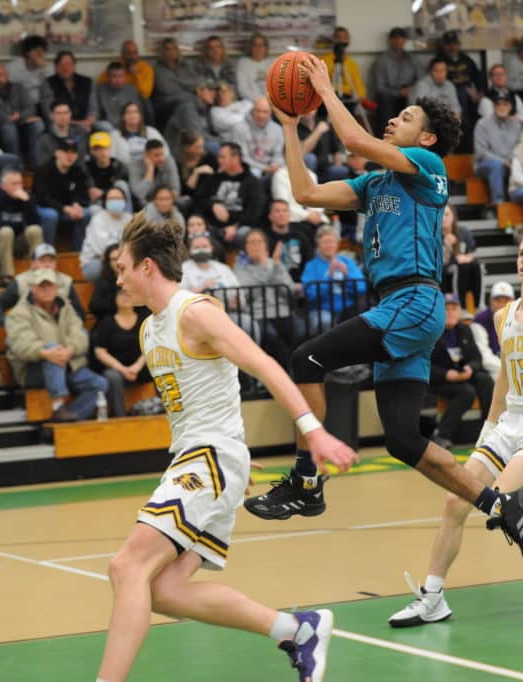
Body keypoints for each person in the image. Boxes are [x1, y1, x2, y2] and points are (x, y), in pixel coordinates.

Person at [246, 56, 523, 567]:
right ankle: (500, 504)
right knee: (403, 441)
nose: (392, 120)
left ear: (426, 138)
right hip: (398, 307)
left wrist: (324, 89)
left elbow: (354, 140)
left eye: (404, 118)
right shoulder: (374, 185)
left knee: (306, 359)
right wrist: (291, 128)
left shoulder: (428, 167)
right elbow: (305, 193)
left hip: (414, 300)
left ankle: (306, 480)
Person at [96, 215, 357, 682]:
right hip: (206, 461)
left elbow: (265, 365)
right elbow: (201, 398)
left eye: (122, 268)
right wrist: (231, 459)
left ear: (147, 266)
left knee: (127, 566)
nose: (118, 280)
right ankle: (298, 631)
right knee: (163, 590)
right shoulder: (149, 330)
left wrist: (313, 431)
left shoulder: (195, 313)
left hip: (210, 459)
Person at [388, 217, 523, 629]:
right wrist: (489, 428)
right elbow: (504, 377)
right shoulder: (504, 317)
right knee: (456, 500)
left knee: (500, 499)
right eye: (522, 253)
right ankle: (434, 597)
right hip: (507, 425)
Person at [5, 269, 108, 422]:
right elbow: (21, 345)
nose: (46, 290)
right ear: (33, 288)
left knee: (100, 384)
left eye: (50, 286)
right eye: (42, 286)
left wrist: (69, 350)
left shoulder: (66, 307)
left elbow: (80, 335)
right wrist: (47, 353)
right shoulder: (18, 313)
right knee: (51, 348)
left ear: (56, 288)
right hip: (34, 368)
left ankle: (68, 418)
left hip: (67, 362)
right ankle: (58, 406)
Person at [428, 292, 494, 448]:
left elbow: (477, 358)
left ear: (459, 311)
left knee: (485, 380)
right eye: (446, 309)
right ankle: (441, 434)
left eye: (454, 308)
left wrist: (470, 368)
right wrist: (446, 375)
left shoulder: (465, 330)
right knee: (466, 392)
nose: (450, 312)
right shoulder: (431, 333)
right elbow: (425, 365)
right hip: (440, 380)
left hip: (463, 374)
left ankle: (489, 430)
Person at [235, 229, 298, 369]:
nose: (256, 245)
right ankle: (284, 373)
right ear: (246, 247)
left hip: (282, 311)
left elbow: (288, 290)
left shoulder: (275, 263)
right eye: (252, 242)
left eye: (259, 241)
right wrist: (267, 270)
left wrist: (276, 267)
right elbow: (246, 294)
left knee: (297, 332)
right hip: (257, 314)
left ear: (266, 245)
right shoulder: (241, 268)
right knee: (270, 336)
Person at [0, 243, 85, 327]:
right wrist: (11, 326)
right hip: (28, 332)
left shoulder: (66, 281)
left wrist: (69, 328)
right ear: (33, 263)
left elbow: (80, 313)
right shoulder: (20, 282)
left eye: (51, 261)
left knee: (83, 335)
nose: (47, 265)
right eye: (43, 261)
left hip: (60, 331)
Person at [90, 286, 150, 417]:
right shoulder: (107, 322)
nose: (125, 298)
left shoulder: (144, 320)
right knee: (112, 377)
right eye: (121, 294)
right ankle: (119, 416)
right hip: (117, 368)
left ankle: (163, 410)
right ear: (115, 299)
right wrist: (123, 369)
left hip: (141, 367)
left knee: (161, 367)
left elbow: (150, 345)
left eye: (128, 295)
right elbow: (100, 351)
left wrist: (137, 367)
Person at [193, 143, 266, 248]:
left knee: (244, 233)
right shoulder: (213, 179)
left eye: (222, 157)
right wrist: (212, 206)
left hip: (239, 227)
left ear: (236, 158)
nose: (219, 160)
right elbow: (198, 199)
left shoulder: (252, 182)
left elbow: (255, 212)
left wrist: (235, 226)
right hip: (211, 226)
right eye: (219, 157)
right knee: (196, 228)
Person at [0, 168, 44, 282]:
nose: (18, 187)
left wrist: (27, 202)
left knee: (35, 230)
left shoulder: (27, 197)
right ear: (4, 186)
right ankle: (7, 276)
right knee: (6, 231)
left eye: (20, 183)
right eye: (14, 184)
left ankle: (38, 271)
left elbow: (37, 222)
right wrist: (16, 226)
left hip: (19, 241)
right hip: (0, 242)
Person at [34, 138, 92, 250]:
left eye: (73, 153)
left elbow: (82, 193)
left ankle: (78, 251)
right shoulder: (43, 170)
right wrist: (64, 208)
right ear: (57, 153)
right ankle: (47, 251)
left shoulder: (77, 171)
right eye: (66, 152)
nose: (70, 156)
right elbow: (42, 198)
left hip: (68, 210)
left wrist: (76, 204)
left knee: (85, 213)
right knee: (51, 215)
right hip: (45, 208)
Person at [0, 62, 43, 163]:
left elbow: (30, 108)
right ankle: (17, 164)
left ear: (7, 75)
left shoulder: (18, 88)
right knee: (9, 129)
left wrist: (20, 116)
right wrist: (12, 118)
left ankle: (37, 164)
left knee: (38, 125)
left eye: (0, 75)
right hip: (1, 126)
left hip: (22, 122)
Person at [473, 92, 523, 205]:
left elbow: (519, 149)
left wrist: (512, 162)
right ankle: (498, 204)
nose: (501, 107)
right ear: (493, 106)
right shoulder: (482, 124)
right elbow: (481, 152)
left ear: (510, 107)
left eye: (505, 104)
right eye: (498, 104)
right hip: (485, 164)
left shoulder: (517, 126)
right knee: (496, 166)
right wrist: (503, 162)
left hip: (511, 163)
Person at [372, 27, 424, 127]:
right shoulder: (382, 60)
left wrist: (411, 89)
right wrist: (398, 92)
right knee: (385, 100)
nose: (398, 41)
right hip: (390, 95)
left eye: (401, 38)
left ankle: (413, 133)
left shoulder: (412, 58)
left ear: (405, 41)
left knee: (418, 98)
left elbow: (421, 78)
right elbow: (380, 87)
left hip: (409, 92)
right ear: (390, 41)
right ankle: (388, 132)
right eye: (395, 39)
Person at [81, 188, 132, 282]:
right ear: (105, 202)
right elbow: (103, 248)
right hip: (97, 260)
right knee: (116, 265)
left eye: (118, 198)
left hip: (123, 258)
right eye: (112, 199)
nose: (115, 201)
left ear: (125, 201)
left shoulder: (129, 219)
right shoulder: (98, 219)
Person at [42, 51, 97, 132]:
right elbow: (49, 114)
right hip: (59, 126)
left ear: (74, 66)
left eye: (69, 64)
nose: (65, 67)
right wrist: (77, 124)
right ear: (56, 67)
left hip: (87, 125)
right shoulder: (48, 83)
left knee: (103, 127)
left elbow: (93, 109)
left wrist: (88, 122)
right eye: (61, 64)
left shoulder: (88, 82)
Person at [151, 37, 200, 128]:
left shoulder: (186, 66)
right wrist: (186, 86)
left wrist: (177, 81)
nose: (172, 52)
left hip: (187, 102)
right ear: (162, 52)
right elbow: (167, 89)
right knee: (188, 104)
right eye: (168, 49)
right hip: (166, 104)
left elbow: (195, 83)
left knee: (198, 104)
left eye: (174, 48)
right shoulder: (157, 69)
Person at [440, 206, 482, 310]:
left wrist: (466, 258)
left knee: (476, 265)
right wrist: (447, 247)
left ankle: (478, 306)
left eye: (447, 214)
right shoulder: (435, 235)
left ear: (453, 216)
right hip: (444, 270)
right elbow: (442, 262)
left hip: (464, 267)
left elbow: (472, 251)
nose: (444, 218)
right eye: (441, 214)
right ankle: (460, 306)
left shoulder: (463, 232)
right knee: (459, 267)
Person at [233, 97, 285, 178]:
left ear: (270, 113)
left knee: (283, 174)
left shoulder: (277, 129)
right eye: (258, 111)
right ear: (252, 111)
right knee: (254, 173)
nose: (261, 115)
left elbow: (278, 154)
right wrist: (264, 168)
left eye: (265, 112)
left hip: (271, 167)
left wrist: (275, 165)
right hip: (250, 167)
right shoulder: (239, 128)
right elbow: (242, 157)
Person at [264, 200, 313, 282]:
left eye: (285, 211)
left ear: (289, 215)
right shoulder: (264, 238)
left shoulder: (300, 237)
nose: (281, 214)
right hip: (274, 283)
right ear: (270, 216)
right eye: (277, 211)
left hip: (300, 283)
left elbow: (309, 262)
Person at [110, 102, 169, 167]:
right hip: (125, 169)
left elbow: (165, 152)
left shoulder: (152, 132)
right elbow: (111, 156)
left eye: (135, 112)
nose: (132, 115)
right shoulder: (115, 135)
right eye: (128, 112)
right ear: (123, 117)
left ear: (140, 115)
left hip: (152, 167)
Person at [7, 35, 53, 117]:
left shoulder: (48, 68)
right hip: (23, 107)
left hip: (43, 106)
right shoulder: (13, 68)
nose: (40, 54)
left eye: (42, 51)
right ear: (27, 53)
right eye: (36, 51)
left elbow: (48, 91)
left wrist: (42, 70)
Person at [320, 26, 366, 108]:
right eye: (339, 38)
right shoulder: (324, 60)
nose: (342, 40)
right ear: (333, 39)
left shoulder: (351, 63)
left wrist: (360, 95)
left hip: (348, 97)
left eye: (345, 38)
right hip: (328, 96)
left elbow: (357, 82)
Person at [128, 140, 180, 209]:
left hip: (166, 201)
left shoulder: (169, 162)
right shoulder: (135, 165)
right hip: (144, 203)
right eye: (157, 155)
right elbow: (139, 194)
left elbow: (175, 190)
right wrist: (150, 170)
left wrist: (163, 200)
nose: (161, 158)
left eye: (162, 154)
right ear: (146, 155)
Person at [35, 100, 87, 168]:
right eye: (59, 113)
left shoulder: (79, 132)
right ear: (51, 116)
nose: (63, 117)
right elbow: (42, 164)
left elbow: (81, 159)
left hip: (77, 171)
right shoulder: (44, 138)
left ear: (70, 114)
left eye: (66, 113)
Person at [96, 62, 144, 130]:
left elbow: (137, 112)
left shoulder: (132, 90)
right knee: (105, 126)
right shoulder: (100, 90)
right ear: (107, 77)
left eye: (121, 76)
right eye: (114, 76)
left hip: (128, 124)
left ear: (125, 76)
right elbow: (97, 114)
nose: (118, 80)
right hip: (108, 126)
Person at [473, 280, 514, 357]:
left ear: (513, 301)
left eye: (506, 301)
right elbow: (484, 354)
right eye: (498, 300)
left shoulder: (521, 319)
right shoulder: (480, 320)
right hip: (491, 363)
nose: (502, 305)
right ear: (490, 300)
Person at [235, 33, 274, 102]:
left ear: (266, 48)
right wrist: (260, 101)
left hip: (272, 102)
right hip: (251, 102)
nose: (258, 48)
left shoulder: (274, 62)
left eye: (261, 45)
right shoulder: (243, 63)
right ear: (250, 47)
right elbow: (242, 89)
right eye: (255, 45)